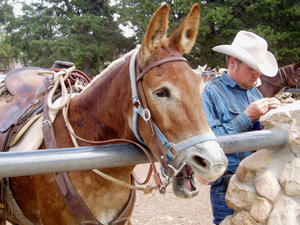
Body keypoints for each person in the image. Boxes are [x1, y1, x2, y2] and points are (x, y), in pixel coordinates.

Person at [202, 30, 281, 225]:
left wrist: (275, 116)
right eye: (251, 68)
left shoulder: (254, 92)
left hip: (259, 180)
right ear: (232, 63)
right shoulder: (211, 93)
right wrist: (247, 117)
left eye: (259, 69)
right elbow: (210, 141)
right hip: (228, 182)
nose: (257, 74)